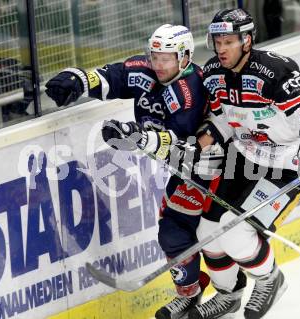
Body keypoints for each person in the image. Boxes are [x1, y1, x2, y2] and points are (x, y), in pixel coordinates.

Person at [45, 24, 215, 319]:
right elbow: (114, 77)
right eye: (155, 56)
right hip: (185, 169)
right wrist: (79, 79)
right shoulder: (145, 69)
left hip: (214, 165)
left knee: (217, 234)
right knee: (174, 234)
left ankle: (232, 290)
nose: (158, 64)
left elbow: (179, 144)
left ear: (185, 57)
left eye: (167, 58)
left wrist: (136, 134)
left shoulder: (189, 91)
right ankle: (189, 294)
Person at [184, 8, 300, 319]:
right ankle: (228, 294)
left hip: (288, 163)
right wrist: (198, 144)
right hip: (245, 156)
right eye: (217, 42)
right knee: (207, 230)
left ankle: (270, 280)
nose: (221, 48)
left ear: (247, 40)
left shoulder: (275, 71)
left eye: (228, 41)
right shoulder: (213, 73)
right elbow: (224, 120)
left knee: (235, 234)